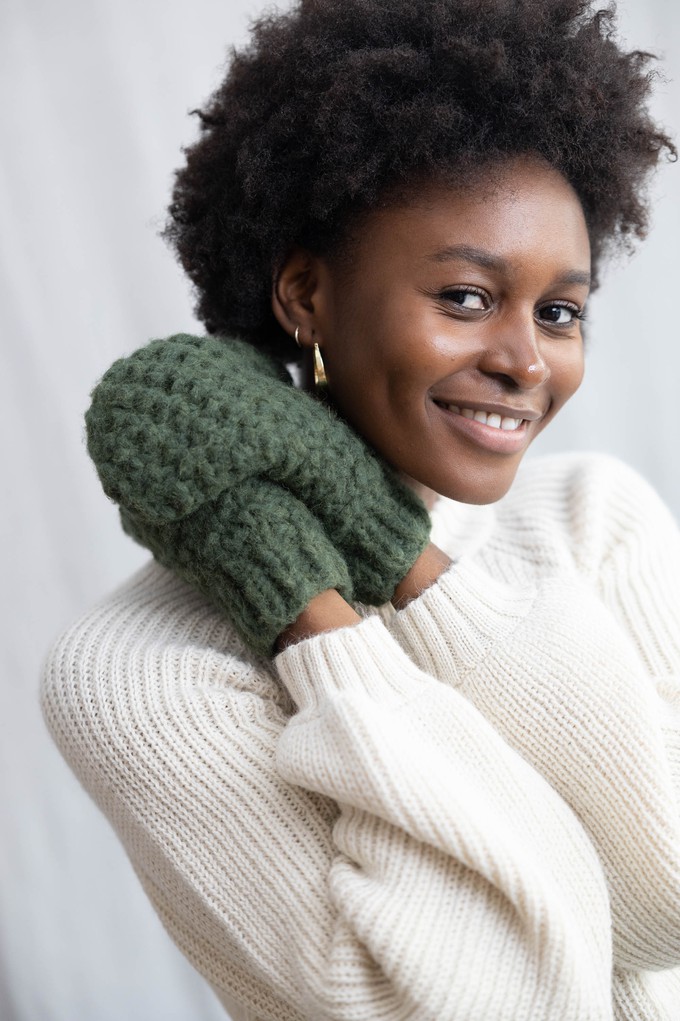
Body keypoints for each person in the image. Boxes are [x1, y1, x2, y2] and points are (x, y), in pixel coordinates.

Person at [41, 0, 680, 1018]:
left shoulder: (595, 519)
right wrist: (304, 606)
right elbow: (482, 1000)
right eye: (465, 297)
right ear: (303, 292)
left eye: (558, 312)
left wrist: (400, 556)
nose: (524, 361)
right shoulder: (139, 672)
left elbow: (663, 906)